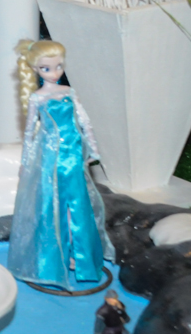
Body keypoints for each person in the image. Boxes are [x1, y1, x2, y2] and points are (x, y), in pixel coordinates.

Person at [8, 40, 113, 291]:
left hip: (73, 155)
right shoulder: (37, 98)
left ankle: (81, 256)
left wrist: (94, 151)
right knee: (51, 204)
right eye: (47, 69)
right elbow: (30, 133)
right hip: (50, 158)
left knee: (78, 203)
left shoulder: (69, 92)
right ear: (36, 69)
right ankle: (56, 259)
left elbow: (85, 122)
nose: (54, 73)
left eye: (58, 67)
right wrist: (26, 163)